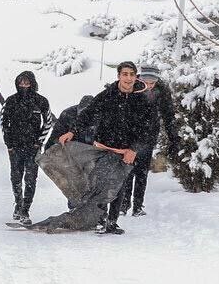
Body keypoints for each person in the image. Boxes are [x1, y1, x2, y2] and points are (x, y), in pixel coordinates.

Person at [58, 61, 151, 235]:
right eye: (125, 74)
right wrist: (72, 131)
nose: (128, 78)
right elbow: (88, 114)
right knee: (101, 184)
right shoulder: (107, 95)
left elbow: (147, 128)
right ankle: (100, 220)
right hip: (103, 147)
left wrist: (134, 149)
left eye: (131, 74)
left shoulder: (142, 99)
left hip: (126, 151)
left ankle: (112, 222)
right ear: (118, 76)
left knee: (119, 186)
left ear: (135, 76)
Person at [118, 65, 177, 217]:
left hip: (149, 136)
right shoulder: (132, 88)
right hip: (129, 136)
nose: (149, 85)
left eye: (153, 82)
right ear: (139, 78)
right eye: (146, 81)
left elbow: (169, 116)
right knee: (127, 171)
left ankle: (138, 206)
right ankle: (123, 205)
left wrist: (173, 138)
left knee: (142, 172)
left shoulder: (162, 91)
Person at [0, 71, 52, 224]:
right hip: (15, 148)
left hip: (33, 148)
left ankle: (25, 210)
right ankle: (18, 203)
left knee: (30, 179)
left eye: (26, 83)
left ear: (32, 83)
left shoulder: (41, 101)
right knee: (16, 177)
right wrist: (9, 144)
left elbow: (48, 123)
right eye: (21, 83)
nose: (23, 85)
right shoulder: (10, 101)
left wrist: (39, 142)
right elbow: (4, 123)